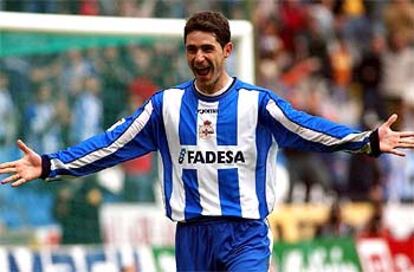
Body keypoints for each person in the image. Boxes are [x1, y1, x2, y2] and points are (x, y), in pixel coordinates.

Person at [1, 11, 414, 272]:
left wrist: (367, 141)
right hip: (191, 237)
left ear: (228, 50)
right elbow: (111, 145)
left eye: (207, 49)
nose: (199, 57)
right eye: (191, 50)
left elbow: (312, 130)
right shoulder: (165, 106)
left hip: (246, 235)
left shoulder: (257, 104)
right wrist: (51, 164)